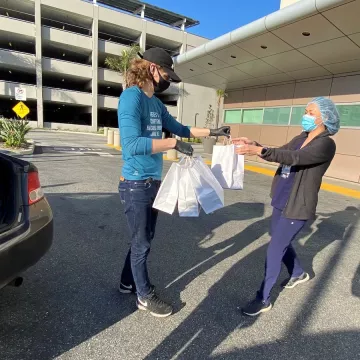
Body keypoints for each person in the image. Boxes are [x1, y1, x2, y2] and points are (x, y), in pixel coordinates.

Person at [118, 47, 230, 318]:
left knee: (143, 238)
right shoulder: (131, 98)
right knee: (142, 242)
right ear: (153, 69)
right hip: (135, 183)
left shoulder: (155, 103)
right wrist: (172, 143)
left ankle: (127, 282)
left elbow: (180, 128)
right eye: (166, 73)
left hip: (152, 182)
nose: (168, 80)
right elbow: (131, 144)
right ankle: (144, 297)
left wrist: (212, 131)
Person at [232, 97, 340, 316]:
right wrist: (254, 144)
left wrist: (258, 152)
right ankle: (298, 273)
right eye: (306, 111)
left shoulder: (326, 144)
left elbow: (296, 158)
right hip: (281, 199)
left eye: (311, 112)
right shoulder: (302, 137)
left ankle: (263, 299)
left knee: (275, 249)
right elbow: (281, 150)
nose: (306, 115)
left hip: (298, 205)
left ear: (324, 117)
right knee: (279, 242)